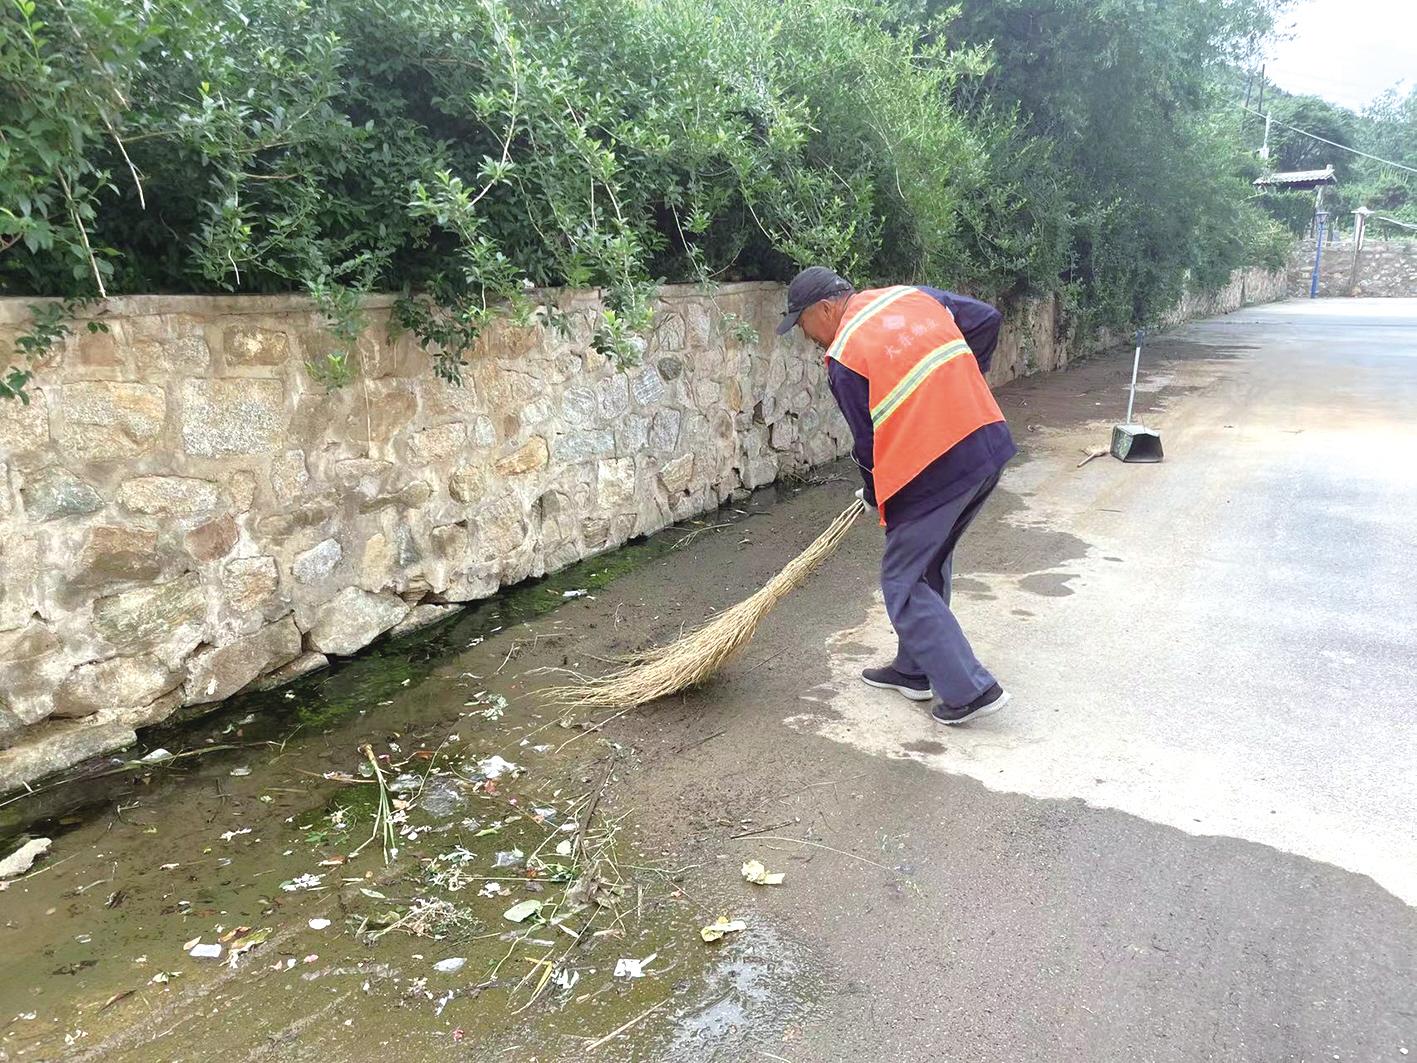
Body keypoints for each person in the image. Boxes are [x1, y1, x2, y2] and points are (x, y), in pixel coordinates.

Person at [776, 266, 1016, 724]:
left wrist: (873, 492)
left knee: (902, 583)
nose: (805, 336)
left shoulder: (845, 356)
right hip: (986, 445)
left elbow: (867, 445)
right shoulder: (908, 297)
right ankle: (913, 670)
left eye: (801, 322)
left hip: (933, 471)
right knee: (927, 564)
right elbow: (986, 319)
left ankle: (970, 691)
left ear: (825, 309)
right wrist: (964, 383)